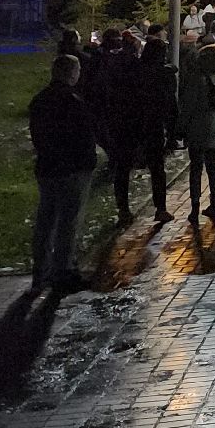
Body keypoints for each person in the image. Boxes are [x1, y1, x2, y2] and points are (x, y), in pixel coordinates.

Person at [29, 55, 98, 291]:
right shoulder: (73, 102)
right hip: (71, 170)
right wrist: (88, 162)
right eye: (78, 70)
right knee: (68, 222)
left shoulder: (40, 101)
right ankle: (63, 270)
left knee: (46, 219)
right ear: (71, 73)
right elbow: (84, 137)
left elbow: (38, 137)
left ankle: (41, 271)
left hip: (47, 168)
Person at [110, 38, 176, 225]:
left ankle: (123, 209)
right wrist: (172, 132)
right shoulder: (162, 74)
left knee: (124, 167)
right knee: (156, 168)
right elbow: (169, 105)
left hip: (129, 124)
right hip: (151, 125)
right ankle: (160, 208)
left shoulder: (133, 70)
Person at [179, 44, 215, 227]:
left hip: (197, 129)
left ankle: (195, 207)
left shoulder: (195, 80)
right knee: (213, 166)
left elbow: (187, 106)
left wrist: (180, 127)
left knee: (196, 168)